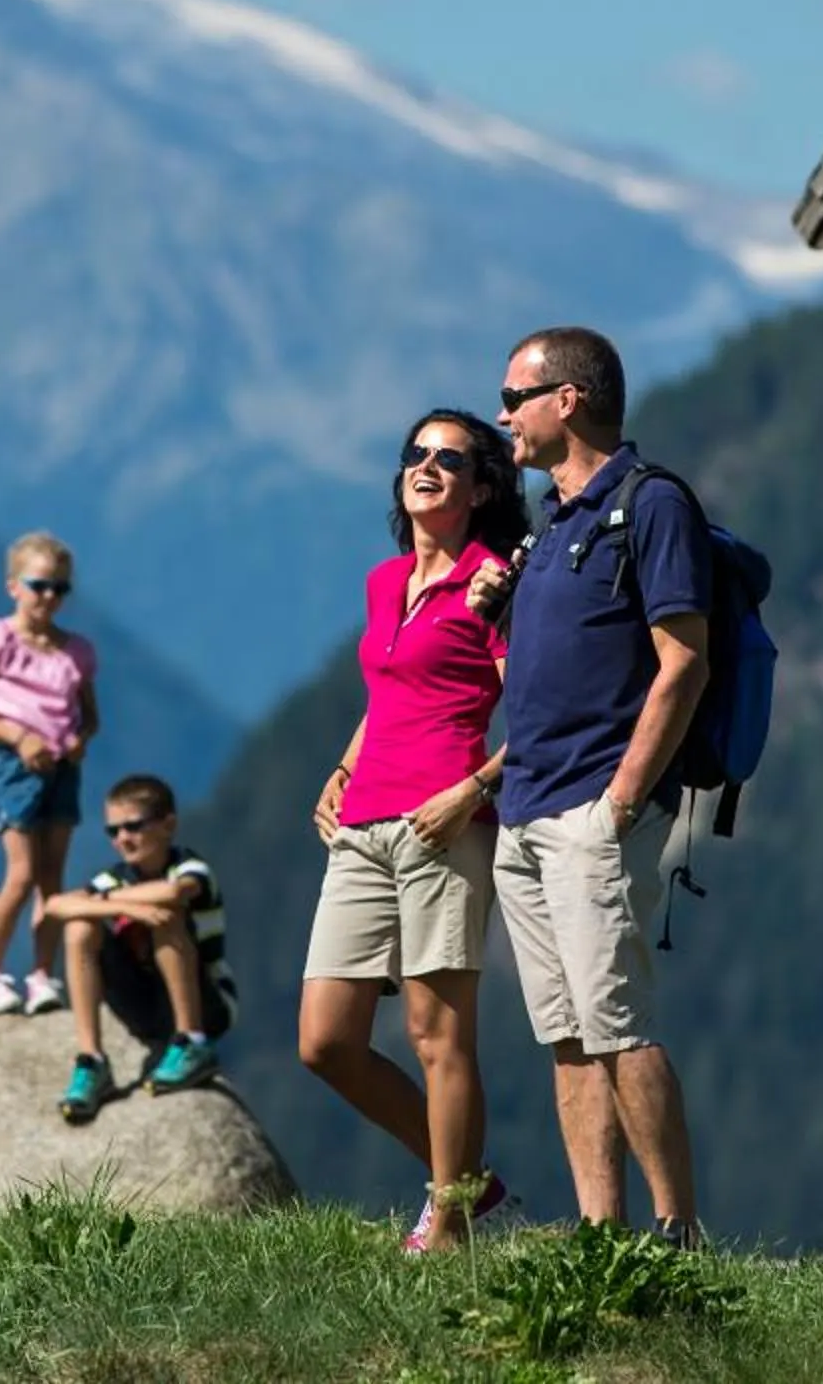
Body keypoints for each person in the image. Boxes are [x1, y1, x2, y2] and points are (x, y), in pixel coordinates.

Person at [469, 326, 707, 1245]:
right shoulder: (555, 524)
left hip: (590, 812)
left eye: (513, 398)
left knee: (619, 1024)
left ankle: (676, 1229)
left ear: (565, 401)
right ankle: (602, 1236)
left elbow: (682, 661)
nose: (502, 419)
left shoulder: (650, 506)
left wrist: (619, 803)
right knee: (566, 1036)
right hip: (528, 812)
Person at [300, 408, 530, 1253]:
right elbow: (388, 690)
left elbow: (538, 714)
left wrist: (469, 792)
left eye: (451, 457)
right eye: (417, 453)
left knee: (437, 1036)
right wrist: (342, 765)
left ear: (480, 487)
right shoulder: (384, 579)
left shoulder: (494, 582)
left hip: (443, 825)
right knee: (325, 1041)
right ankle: (469, 1181)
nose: (427, 465)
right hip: (362, 822)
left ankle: (452, 1222)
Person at [0, 531, 98, 1017]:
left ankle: (42, 974)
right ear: (13, 586)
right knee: (20, 875)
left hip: (62, 767)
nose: (49, 598)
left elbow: (89, 715)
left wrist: (81, 740)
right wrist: (19, 738)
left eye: (60, 588)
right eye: (39, 585)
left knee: (52, 879)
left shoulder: (75, 652)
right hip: (18, 767)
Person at [44, 773, 239, 1123]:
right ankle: (92, 1060)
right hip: (143, 1004)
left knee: (165, 916)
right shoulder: (116, 878)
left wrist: (103, 901)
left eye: (132, 826)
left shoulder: (189, 867)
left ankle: (191, 1039)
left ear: (168, 825)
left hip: (209, 1003)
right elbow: (56, 906)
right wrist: (126, 907)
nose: (122, 839)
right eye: (113, 831)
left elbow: (172, 893)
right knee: (79, 928)